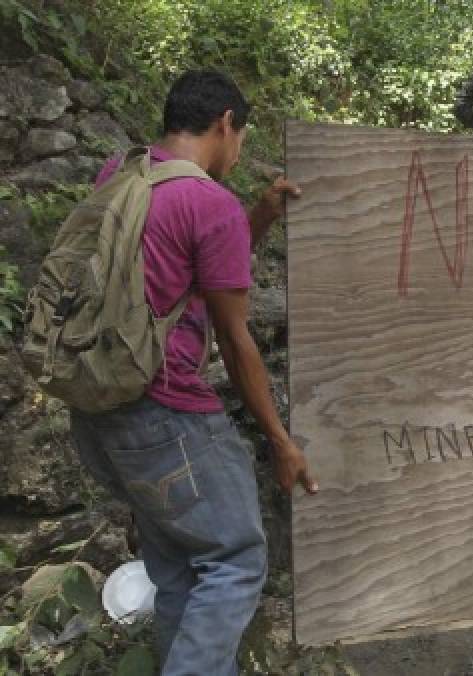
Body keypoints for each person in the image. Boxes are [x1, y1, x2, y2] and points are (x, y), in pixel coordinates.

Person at [69, 70, 318, 675]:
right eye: (240, 137)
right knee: (234, 559)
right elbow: (235, 341)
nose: (238, 152)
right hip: (167, 419)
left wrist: (257, 215)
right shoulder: (209, 201)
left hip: (99, 411)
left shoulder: (123, 174)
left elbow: (191, 275)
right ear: (225, 124)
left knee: (180, 565)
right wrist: (281, 441)